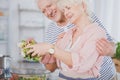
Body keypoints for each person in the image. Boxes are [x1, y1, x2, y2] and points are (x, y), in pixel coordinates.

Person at [27, 0, 116, 79]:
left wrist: (112, 50)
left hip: (106, 76)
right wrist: (39, 53)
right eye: (43, 11)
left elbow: (110, 43)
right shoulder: (51, 30)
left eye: (49, 6)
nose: (48, 12)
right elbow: (52, 67)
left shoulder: (85, 17)